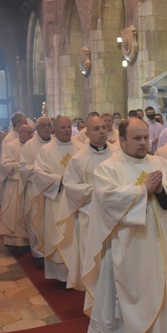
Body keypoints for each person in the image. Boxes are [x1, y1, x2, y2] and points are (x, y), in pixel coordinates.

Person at [83, 117, 167, 333]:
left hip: (161, 244)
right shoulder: (108, 168)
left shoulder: (160, 163)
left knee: (164, 290)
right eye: (137, 138)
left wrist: (161, 189)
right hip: (127, 246)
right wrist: (142, 190)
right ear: (121, 140)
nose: (144, 143)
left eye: (146, 138)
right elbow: (107, 199)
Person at [55, 115, 114, 290]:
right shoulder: (79, 159)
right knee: (94, 258)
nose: (102, 132)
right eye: (96, 129)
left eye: (104, 127)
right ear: (87, 133)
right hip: (89, 216)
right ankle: (93, 291)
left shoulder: (118, 154)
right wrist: (97, 191)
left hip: (115, 215)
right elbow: (70, 187)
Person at [31, 115, 83, 282]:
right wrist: (61, 180)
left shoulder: (82, 148)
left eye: (68, 126)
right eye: (62, 127)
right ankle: (61, 276)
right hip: (57, 200)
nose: (67, 130)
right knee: (60, 236)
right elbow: (39, 174)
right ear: (55, 129)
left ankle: (79, 273)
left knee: (78, 236)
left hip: (79, 202)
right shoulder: (46, 150)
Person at [18, 116, 54, 264]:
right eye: (43, 125)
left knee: (51, 221)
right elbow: (23, 167)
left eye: (49, 125)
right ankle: (38, 253)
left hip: (54, 190)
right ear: (37, 129)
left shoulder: (56, 143)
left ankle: (52, 251)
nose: (46, 128)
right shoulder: (29, 145)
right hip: (35, 189)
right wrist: (41, 173)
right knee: (36, 220)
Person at [0, 123, 34, 252]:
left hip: (29, 184)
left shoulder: (34, 146)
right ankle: (16, 242)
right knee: (14, 214)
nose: (32, 135)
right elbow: (4, 164)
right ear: (20, 133)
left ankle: (30, 240)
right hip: (15, 183)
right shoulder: (10, 145)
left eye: (32, 132)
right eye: (29, 133)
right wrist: (23, 166)